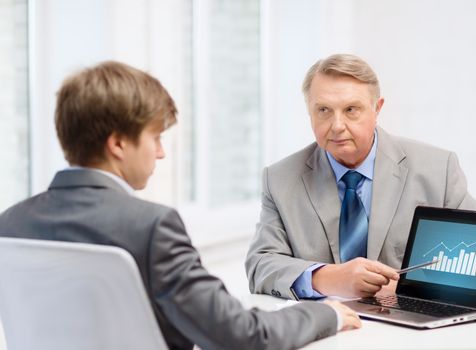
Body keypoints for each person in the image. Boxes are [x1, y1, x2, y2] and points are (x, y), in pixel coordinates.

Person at [0, 61, 362, 350]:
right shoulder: (151, 227)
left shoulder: (10, 224)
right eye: (154, 137)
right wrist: (323, 314)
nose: (160, 151)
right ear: (118, 145)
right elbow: (243, 335)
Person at [245, 53, 476, 300]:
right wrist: (325, 277)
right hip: (325, 330)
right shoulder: (280, 179)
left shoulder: (437, 169)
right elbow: (260, 265)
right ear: (309, 112)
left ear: (377, 109)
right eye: (323, 110)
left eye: (351, 109)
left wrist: (411, 286)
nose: (337, 126)